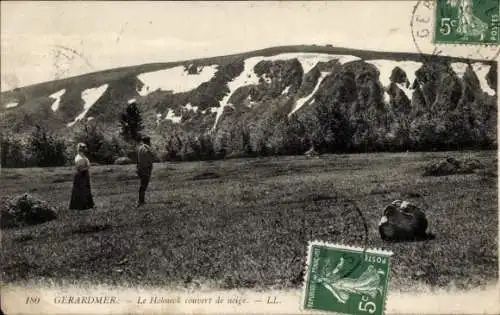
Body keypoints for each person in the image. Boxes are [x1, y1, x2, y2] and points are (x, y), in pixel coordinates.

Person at [69, 143, 95, 210]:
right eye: (83, 147)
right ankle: (80, 206)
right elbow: (79, 168)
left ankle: (87, 205)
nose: (85, 149)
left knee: (86, 190)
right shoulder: (79, 158)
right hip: (81, 175)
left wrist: (87, 167)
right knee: (80, 190)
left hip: (84, 174)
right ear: (80, 149)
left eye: (85, 147)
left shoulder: (83, 157)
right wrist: (87, 167)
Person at [136, 135, 155, 207]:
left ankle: (141, 200)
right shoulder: (146, 148)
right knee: (144, 185)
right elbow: (150, 157)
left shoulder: (140, 148)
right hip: (145, 168)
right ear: (148, 141)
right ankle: (141, 201)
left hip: (140, 168)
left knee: (142, 184)